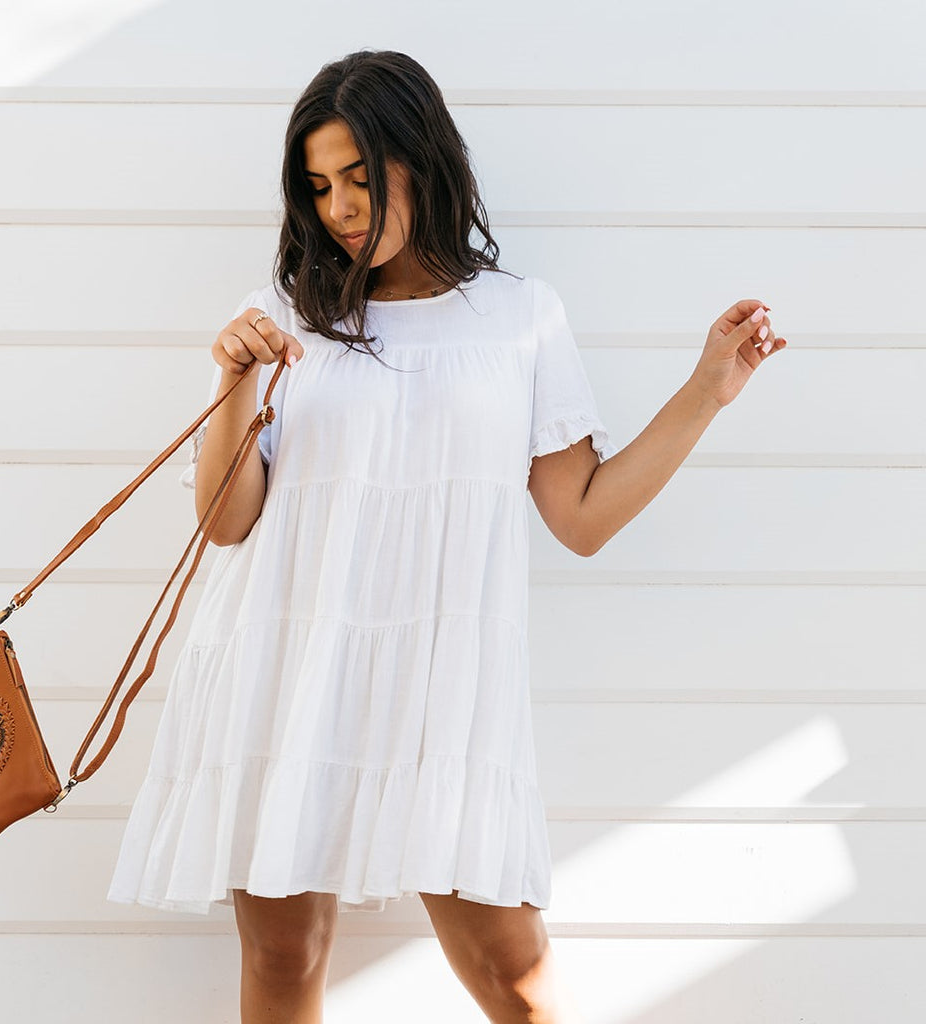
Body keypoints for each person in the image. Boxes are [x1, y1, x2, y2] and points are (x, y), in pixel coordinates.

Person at [107, 49, 786, 1024]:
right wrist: (231, 384)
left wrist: (704, 392)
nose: (338, 206)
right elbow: (226, 522)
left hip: (443, 687)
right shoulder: (281, 315)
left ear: (420, 161)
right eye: (318, 185)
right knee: (286, 954)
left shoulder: (517, 317)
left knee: (513, 970)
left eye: (359, 177)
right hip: (285, 669)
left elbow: (581, 516)